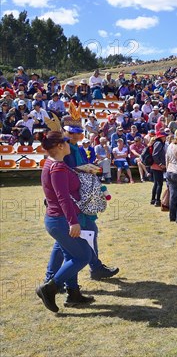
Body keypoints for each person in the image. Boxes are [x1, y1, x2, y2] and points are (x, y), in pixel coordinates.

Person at [36, 131, 94, 312]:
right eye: (67, 142)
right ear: (60, 146)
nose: (70, 144)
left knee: (70, 256)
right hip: (60, 220)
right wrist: (73, 222)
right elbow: (63, 198)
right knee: (83, 255)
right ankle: (49, 287)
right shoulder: (58, 168)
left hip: (56, 219)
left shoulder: (53, 163)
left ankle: (73, 294)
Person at [150, 132, 167, 206]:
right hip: (157, 166)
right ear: (162, 137)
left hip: (155, 165)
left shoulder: (157, 143)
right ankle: (157, 200)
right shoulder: (159, 143)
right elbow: (155, 155)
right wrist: (160, 164)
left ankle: (153, 199)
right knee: (159, 184)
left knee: (156, 183)